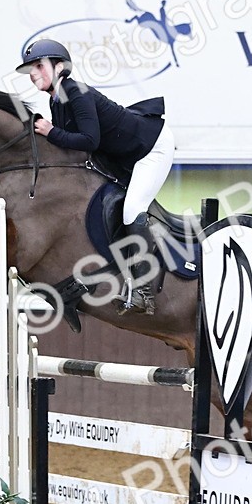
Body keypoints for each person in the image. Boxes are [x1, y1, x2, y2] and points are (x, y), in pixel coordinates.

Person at [17, 38, 175, 316]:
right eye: (30, 68)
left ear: (59, 67)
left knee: (132, 210)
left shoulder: (75, 91)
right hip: (124, 156)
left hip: (151, 148)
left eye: (38, 66)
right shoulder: (57, 100)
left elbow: (89, 140)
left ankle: (142, 291)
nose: (32, 73)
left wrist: (50, 132)